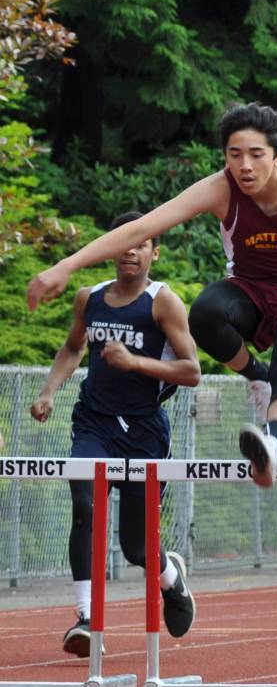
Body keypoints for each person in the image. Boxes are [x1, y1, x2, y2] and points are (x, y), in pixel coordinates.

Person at [28, 102, 277, 488]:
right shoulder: (220, 189)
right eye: (234, 155)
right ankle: (257, 378)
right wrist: (67, 265)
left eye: (256, 155)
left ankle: (273, 445)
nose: (244, 166)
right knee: (206, 313)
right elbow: (140, 228)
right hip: (251, 289)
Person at [31, 212, 201, 656]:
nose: (130, 250)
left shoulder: (164, 303)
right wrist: (49, 391)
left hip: (144, 430)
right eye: (124, 243)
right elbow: (72, 348)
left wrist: (137, 363)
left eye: (141, 244)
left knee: (136, 548)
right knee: (84, 503)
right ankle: (86, 618)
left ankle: (171, 578)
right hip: (94, 422)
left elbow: (192, 371)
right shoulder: (90, 299)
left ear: (153, 252)